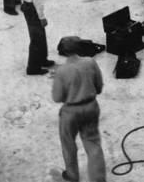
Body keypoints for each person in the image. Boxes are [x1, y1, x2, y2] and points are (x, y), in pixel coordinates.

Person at [52, 36, 107, 182]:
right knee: (93, 143)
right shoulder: (90, 62)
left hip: (71, 112)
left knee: (68, 144)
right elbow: (99, 86)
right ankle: (98, 179)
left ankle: (72, 175)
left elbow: (57, 97)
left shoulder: (62, 71)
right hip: (91, 107)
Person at [22, 0, 53, 75]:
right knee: (36, 38)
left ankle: (42, 59)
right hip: (32, 8)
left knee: (40, 35)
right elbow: (38, 0)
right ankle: (33, 67)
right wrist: (42, 17)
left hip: (26, 3)